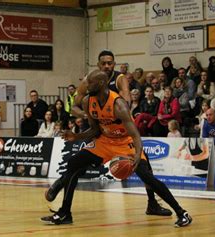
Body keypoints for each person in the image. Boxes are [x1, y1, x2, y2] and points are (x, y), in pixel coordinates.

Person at [41, 70, 192, 227]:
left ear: (100, 84)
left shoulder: (118, 104)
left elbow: (135, 135)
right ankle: (65, 213)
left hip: (126, 143)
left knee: (147, 177)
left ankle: (182, 213)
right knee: (74, 163)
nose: (86, 86)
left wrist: (138, 155)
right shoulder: (87, 101)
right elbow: (94, 130)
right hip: (105, 141)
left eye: (89, 83)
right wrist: (76, 136)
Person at [71, 51, 169, 215]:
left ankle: (152, 204)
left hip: (122, 132)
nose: (107, 66)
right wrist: (87, 114)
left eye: (110, 63)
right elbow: (75, 106)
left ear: (114, 64)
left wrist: (113, 112)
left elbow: (126, 102)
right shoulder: (90, 80)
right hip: (101, 132)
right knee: (76, 165)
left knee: (145, 170)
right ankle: (60, 193)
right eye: (104, 63)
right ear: (98, 65)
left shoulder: (119, 79)